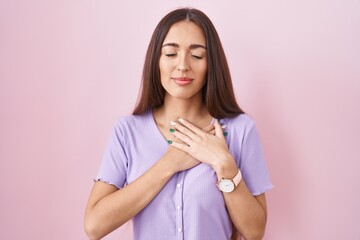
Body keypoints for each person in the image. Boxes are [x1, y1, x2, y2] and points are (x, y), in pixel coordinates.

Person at [84, 7, 273, 240]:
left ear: (211, 64)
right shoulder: (127, 132)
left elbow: (255, 232)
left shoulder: (241, 130)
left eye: (197, 55)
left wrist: (225, 165)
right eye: (171, 53)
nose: (183, 65)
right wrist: (169, 164)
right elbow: (94, 226)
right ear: (157, 61)